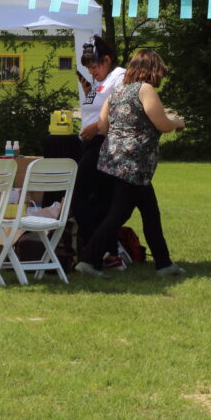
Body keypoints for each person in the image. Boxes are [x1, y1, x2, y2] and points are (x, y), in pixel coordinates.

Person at [77, 49, 186, 278]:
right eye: (159, 72)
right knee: (118, 215)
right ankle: (89, 260)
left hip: (114, 160)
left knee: (151, 212)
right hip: (134, 164)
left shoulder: (116, 91)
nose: (160, 77)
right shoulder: (145, 89)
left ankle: (164, 264)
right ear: (151, 70)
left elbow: (103, 126)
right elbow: (162, 124)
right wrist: (177, 123)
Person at [72, 35, 126, 263]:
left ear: (107, 60)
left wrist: (96, 127)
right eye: (88, 68)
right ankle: (109, 252)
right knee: (102, 200)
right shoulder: (97, 82)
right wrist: (88, 91)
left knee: (78, 197)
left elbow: (123, 110)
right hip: (89, 144)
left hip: (103, 143)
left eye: (95, 66)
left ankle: (93, 249)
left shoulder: (119, 76)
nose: (92, 72)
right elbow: (93, 106)